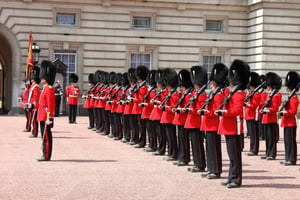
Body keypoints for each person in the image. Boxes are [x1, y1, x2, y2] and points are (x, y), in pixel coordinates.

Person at [217, 59, 250, 188]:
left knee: (235, 156)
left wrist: (223, 113)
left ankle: (236, 179)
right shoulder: (230, 93)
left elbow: (236, 111)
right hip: (227, 126)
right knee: (231, 155)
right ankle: (230, 176)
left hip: (234, 126)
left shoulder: (239, 94)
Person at [200, 63, 228, 179]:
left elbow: (216, 110)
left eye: (212, 82)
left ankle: (216, 170)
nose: (211, 84)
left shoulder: (218, 95)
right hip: (208, 124)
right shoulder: (213, 93)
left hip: (213, 124)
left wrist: (206, 112)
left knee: (214, 149)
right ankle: (211, 168)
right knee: (209, 148)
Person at [184, 65, 207, 173]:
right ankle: (196, 163)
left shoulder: (202, 94)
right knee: (193, 145)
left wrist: (190, 109)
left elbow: (200, 108)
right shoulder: (194, 92)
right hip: (191, 121)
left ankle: (200, 164)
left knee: (198, 144)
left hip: (196, 122)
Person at [36, 60, 56, 161]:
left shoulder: (49, 89)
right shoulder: (44, 89)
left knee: (46, 136)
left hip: (46, 116)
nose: (41, 78)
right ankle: (44, 153)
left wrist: (50, 117)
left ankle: (47, 155)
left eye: (43, 77)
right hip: (42, 115)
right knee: (43, 136)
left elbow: (51, 105)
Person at [279, 71, 299, 166]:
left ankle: (292, 159)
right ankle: (287, 157)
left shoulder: (294, 98)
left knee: (291, 142)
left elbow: (293, 112)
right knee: (287, 142)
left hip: (291, 123)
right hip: (287, 122)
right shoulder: (290, 97)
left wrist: (284, 113)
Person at [260, 72, 282, 161]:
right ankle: (267, 152)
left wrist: (267, 110)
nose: (267, 87)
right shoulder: (268, 94)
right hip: (266, 118)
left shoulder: (276, 95)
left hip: (271, 118)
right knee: (267, 138)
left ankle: (272, 153)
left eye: (268, 85)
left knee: (272, 138)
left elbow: (275, 108)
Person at [244, 72, 261, 156]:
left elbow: (254, 106)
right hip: (248, 115)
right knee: (251, 134)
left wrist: (246, 104)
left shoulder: (256, 94)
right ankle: (252, 148)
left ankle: (254, 149)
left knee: (254, 134)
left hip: (253, 116)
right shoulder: (250, 92)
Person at [28, 66, 41, 138]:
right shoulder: (32, 86)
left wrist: (35, 106)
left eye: (32, 79)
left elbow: (36, 97)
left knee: (34, 121)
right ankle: (33, 131)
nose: (31, 80)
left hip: (34, 105)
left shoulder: (36, 87)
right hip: (31, 104)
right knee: (32, 120)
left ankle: (35, 132)